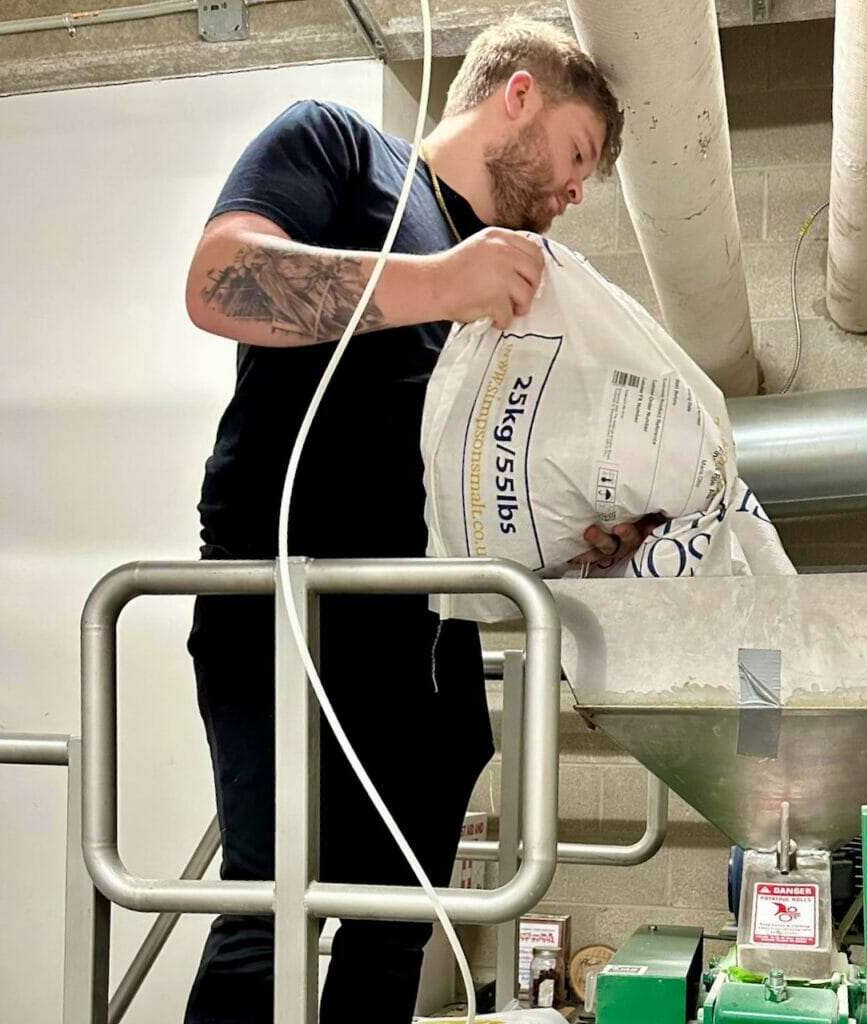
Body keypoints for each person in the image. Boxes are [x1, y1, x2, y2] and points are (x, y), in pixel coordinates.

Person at [182, 16, 638, 1023]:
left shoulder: (525, 289)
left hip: (423, 639)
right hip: (289, 605)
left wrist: (579, 538)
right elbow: (219, 281)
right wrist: (441, 282)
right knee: (269, 912)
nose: (574, 189)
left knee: (394, 933)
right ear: (515, 94)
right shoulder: (343, 151)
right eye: (576, 155)